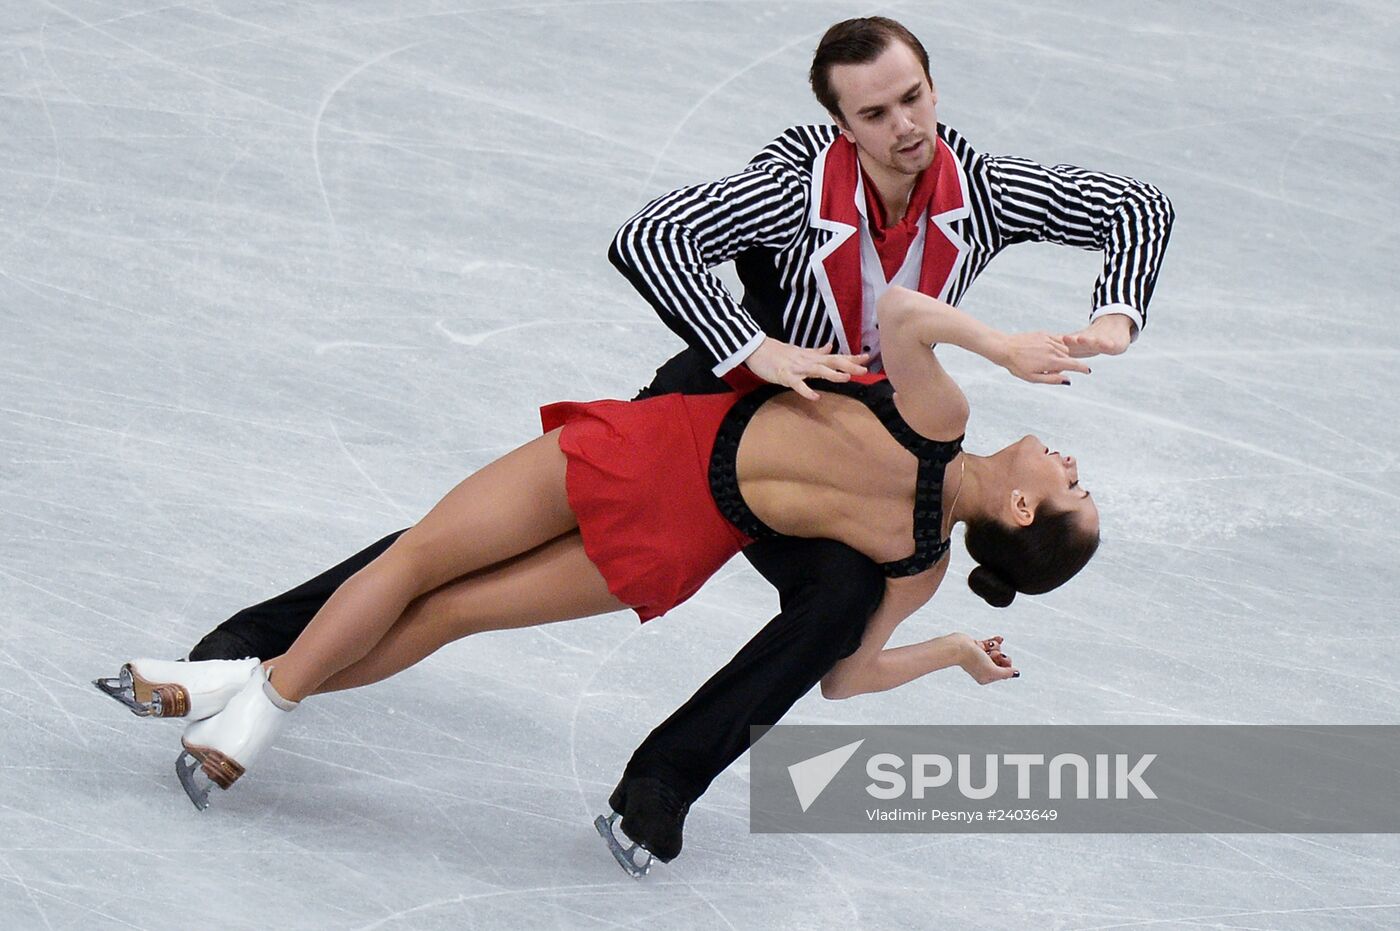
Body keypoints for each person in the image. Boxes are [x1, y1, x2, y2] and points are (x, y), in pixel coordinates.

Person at [182, 16, 1172, 866]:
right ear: (842, 122)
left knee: (838, 603)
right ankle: (255, 648)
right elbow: (653, 237)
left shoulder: (983, 191)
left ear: (931, 85)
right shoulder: (793, 188)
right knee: (482, 533)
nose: (904, 126)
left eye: (911, 97)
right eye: (874, 114)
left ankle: (658, 788)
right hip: (733, 404)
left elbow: (1136, 206)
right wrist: (755, 345)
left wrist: (1113, 317)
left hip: (868, 450)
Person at [101, 288, 1100, 866]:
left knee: (420, 561)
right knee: (447, 609)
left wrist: (1002, 346)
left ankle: (241, 690)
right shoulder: (918, 566)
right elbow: (845, 675)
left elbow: (900, 310)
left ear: (1019, 513)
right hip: (677, 540)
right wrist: (952, 653)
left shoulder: (941, 414)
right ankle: (233, 693)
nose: (1065, 461)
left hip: (647, 455)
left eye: (1069, 484)